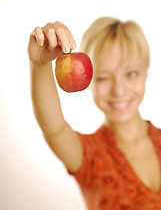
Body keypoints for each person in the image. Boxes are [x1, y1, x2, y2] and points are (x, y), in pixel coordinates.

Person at [28, 18, 161, 209]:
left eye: (131, 74)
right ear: (88, 80)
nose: (119, 90)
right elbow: (53, 127)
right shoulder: (89, 156)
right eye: (103, 77)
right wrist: (39, 64)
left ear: (146, 73)